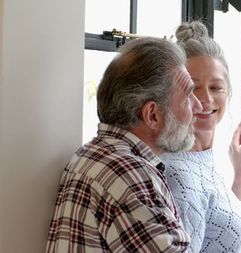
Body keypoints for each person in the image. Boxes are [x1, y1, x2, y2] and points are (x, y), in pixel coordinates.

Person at [46, 37, 202, 252]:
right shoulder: (129, 175)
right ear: (153, 115)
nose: (198, 106)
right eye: (187, 96)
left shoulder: (93, 153)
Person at [161, 21, 241, 253]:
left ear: (228, 92)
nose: (206, 100)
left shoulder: (202, 160)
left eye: (215, 88)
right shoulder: (178, 173)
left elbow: (228, 229)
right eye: (193, 87)